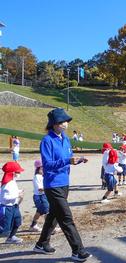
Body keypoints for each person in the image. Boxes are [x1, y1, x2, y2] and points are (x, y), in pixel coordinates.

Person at [33, 108, 91, 261]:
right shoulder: (47, 141)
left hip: (64, 182)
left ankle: (41, 244)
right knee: (66, 217)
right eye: (62, 121)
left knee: (54, 215)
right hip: (52, 185)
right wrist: (67, 161)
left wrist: (77, 160)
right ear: (54, 124)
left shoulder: (65, 138)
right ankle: (78, 250)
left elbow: (68, 159)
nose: (66, 123)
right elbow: (48, 164)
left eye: (66, 121)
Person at [0, 162, 24, 244]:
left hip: (14, 206)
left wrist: (19, 191)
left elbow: (13, 192)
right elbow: (4, 197)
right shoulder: (6, 184)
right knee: (5, 227)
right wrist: (17, 195)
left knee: (17, 221)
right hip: (7, 208)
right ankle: (7, 236)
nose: (20, 173)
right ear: (12, 173)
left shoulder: (13, 181)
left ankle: (11, 237)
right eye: (18, 172)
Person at [29, 160, 49, 232]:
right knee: (47, 211)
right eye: (42, 168)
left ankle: (33, 226)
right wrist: (49, 189)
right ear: (38, 168)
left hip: (43, 196)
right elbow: (40, 189)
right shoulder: (37, 177)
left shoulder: (41, 176)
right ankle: (50, 228)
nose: (44, 169)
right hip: (40, 197)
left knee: (39, 212)